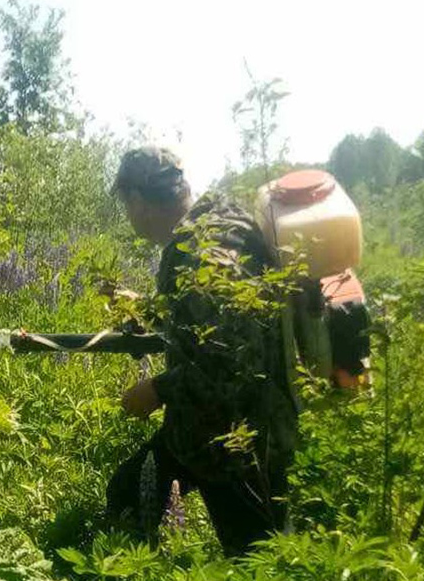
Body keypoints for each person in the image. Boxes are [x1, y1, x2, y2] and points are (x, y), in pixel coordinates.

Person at [106, 146, 299, 556]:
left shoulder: (202, 256)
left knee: (261, 563)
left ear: (138, 201)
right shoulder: (215, 224)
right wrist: (143, 308)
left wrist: (156, 391)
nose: (129, 214)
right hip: (202, 429)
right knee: (128, 493)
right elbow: (203, 324)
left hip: (236, 441)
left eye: (126, 205)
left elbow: (230, 358)